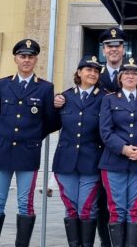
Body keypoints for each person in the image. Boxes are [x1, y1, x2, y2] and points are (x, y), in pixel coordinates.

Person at [0, 39, 59, 247]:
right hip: (1, 151)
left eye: (31, 56)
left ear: (35, 60)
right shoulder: (2, 84)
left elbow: (51, 121)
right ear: (15, 58)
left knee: (25, 204)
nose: (26, 60)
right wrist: (3, 135)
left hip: (28, 152)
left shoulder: (45, 88)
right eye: (22, 56)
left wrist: (33, 137)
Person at [96, 26, 137, 236]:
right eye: (109, 46)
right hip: (104, 151)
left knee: (133, 209)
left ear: (123, 49)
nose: (113, 49)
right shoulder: (97, 73)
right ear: (104, 49)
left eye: (118, 46)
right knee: (109, 207)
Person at [53, 56, 108, 247]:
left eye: (96, 71)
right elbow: (51, 123)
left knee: (87, 209)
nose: (92, 73)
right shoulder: (65, 97)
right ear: (79, 72)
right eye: (88, 70)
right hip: (65, 161)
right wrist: (53, 106)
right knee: (71, 209)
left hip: (91, 161)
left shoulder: (105, 98)